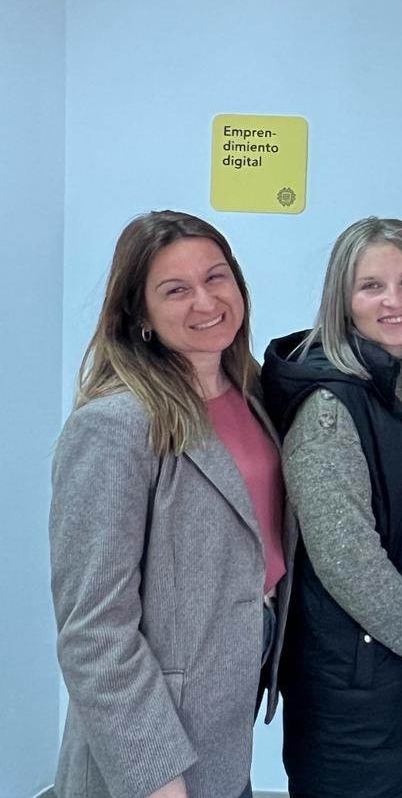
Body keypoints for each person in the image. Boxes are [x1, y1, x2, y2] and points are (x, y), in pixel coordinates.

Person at [51, 210, 293, 798]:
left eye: (216, 278)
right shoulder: (112, 426)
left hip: (228, 705)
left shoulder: (253, 395)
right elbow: (93, 629)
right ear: (141, 316)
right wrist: (156, 775)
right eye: (175, 290)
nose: (206, 302)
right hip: (155, 737)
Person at [261, 218, 402, 797]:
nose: (394, 300)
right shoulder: (330, 407)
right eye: (371, 286)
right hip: (360, 694)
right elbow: (344, 554)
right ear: (342, 299)